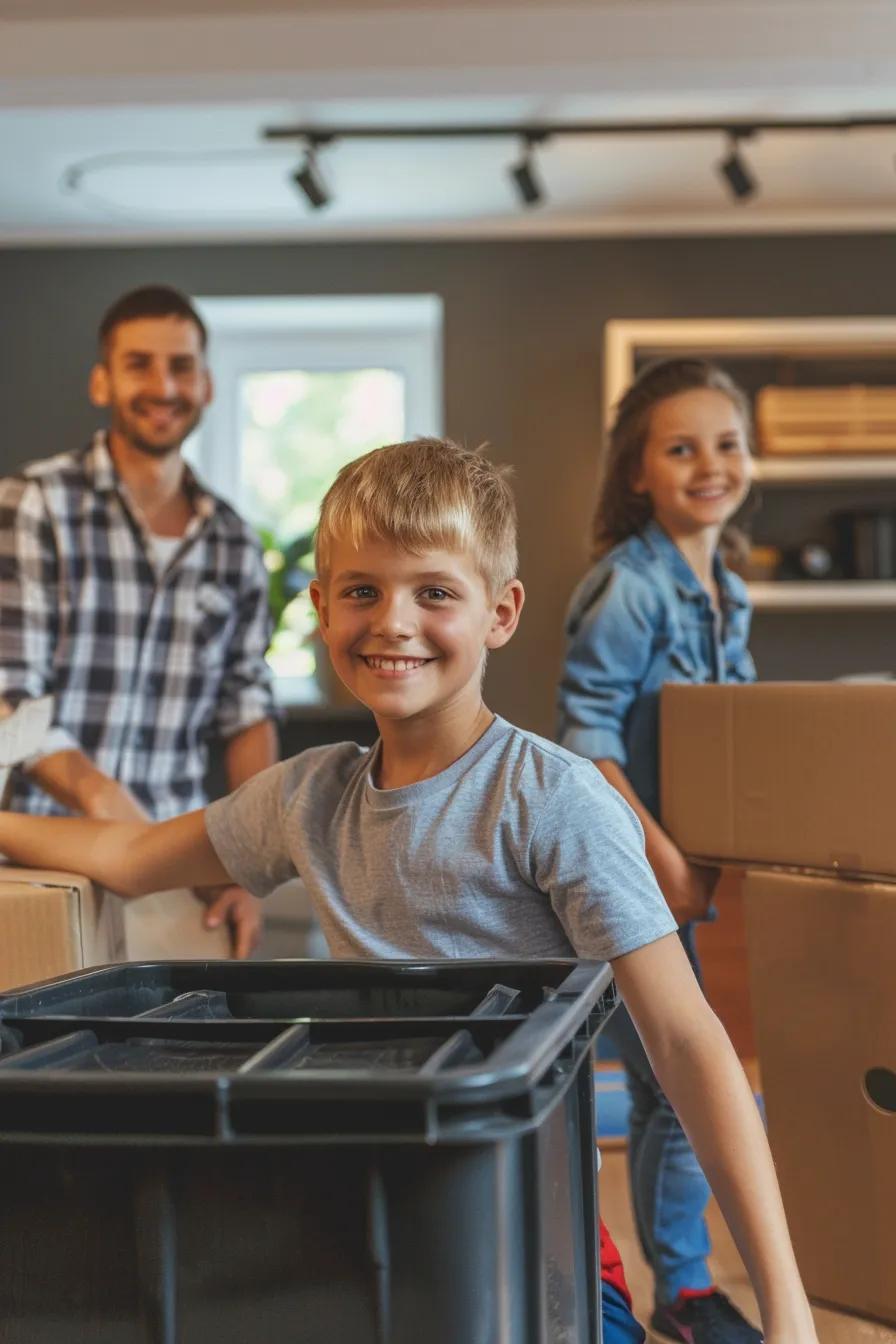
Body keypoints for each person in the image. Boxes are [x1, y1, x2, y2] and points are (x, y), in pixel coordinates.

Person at [0, 437, 817, 1344]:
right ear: (318, 607)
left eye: (434, 592)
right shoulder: (307, 795)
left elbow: (686, 1040)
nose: (393, 621)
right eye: (362, 590)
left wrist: (788, 1313)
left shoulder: (554, 799)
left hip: (525, 1217)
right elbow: (130, 854)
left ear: (500, 612)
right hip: (354, 1211)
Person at [557, 358, 760, 1343]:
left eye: (725, 443)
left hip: (686, 877)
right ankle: (679, 1290)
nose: (708, 465)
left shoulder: (720, 586)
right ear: (637, 472)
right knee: (677, 1090)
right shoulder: (631, 589)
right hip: (633, 874)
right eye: (680, 448)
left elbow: (724, 730)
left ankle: (672, 1290)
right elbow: (583, 735)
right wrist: (667, 859)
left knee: (665, 1091)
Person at [0, 285, 278, 955]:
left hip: (182, 873)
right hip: (40, 866)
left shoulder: (234, 543)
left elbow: (247, 708)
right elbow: (11, 692)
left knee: (171, 1058)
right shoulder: (34, 504)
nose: (164, 385)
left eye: (181, 366)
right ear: (103, 381)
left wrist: (248, 863)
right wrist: (99, 794)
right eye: (139, 364)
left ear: (207, 384)